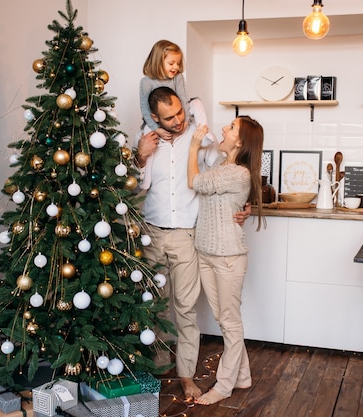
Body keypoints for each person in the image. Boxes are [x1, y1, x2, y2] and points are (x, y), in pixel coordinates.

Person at [135, 86, 249, 401]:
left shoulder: (200, 139)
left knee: (185, 310)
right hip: (152, 232)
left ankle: (185, 375)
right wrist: (139, 156)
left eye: (180, 112)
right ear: (155, 117)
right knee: (153, 307)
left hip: (187, 235)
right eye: (169, 118)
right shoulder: (147, 141)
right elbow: (130, 186)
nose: (178, 120)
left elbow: (232, 167)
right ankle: (156, 368)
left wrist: (246, 204)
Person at [187, 116, 265, 405]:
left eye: (231, 128)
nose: (223, 128)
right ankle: (243, 376)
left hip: (228, 257)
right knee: (223, 319)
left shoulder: (238, 173)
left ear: (241, 142)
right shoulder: (222, 166)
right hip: (207, 253)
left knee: (230, 322)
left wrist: (194, 145)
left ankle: (224, 385)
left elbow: (193, 181)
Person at [139, 39, 216, 190]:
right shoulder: (146, 82)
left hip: (185, 114)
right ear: (158, 61)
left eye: (178, 63)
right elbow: (145, 109)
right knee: (148, 135)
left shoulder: (177, 78)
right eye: (171, 63)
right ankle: (146, 178)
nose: (176, 67)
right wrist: (156, 128)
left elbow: (183, 98)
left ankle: (204, 134)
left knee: (197, 103)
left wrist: (186, 119)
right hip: (152, 123)